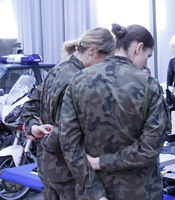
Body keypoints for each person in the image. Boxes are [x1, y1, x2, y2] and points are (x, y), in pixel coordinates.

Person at [59, 23, 170, 200]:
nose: (145, 64)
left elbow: (68, 142)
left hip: (90, 191)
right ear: (138, 48)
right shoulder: (149, 85)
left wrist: (95, 192)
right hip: (140, 191)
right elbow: (150, 148)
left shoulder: (78, 80)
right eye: (147, 56)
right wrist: (103, 162)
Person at [21, 27, 115, 200]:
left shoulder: (56, 70)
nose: (105, 65)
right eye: (105, 58)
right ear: (93, 50)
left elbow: (29, 107)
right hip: (69, 173)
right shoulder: (79, 80)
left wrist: (34, 127)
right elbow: (67, 131)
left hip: (47, 168)